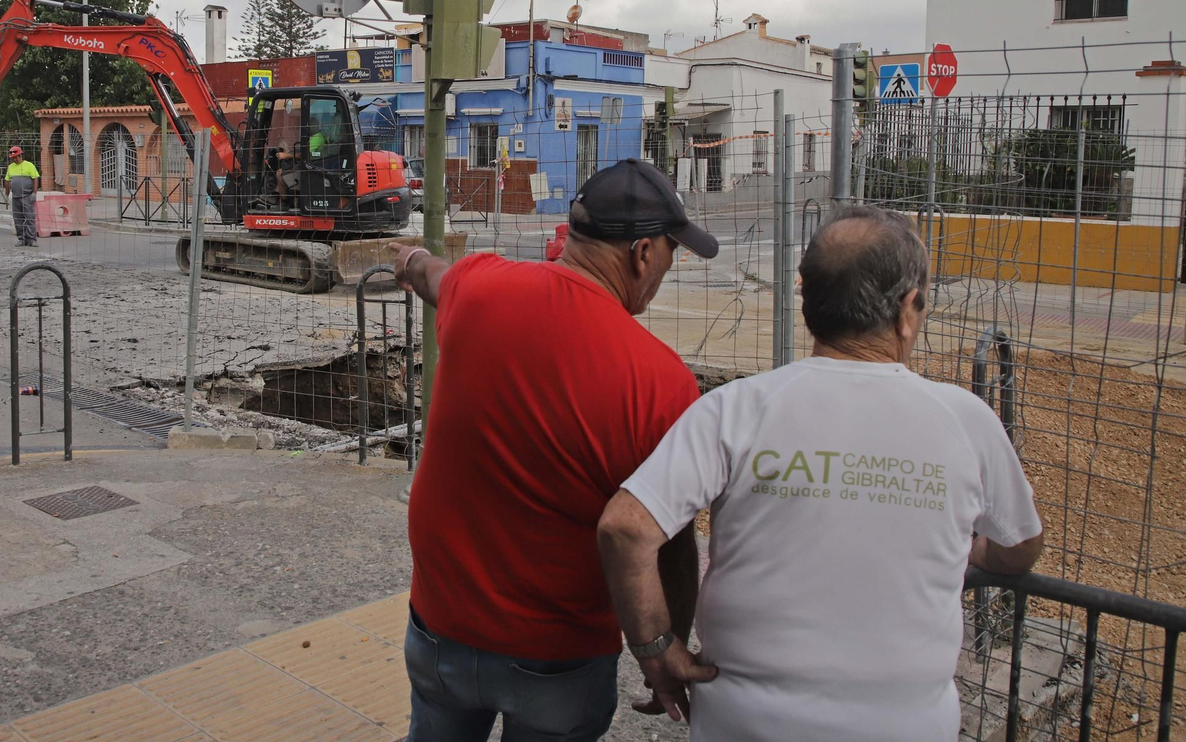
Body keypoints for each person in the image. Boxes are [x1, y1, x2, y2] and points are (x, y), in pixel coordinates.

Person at [597, 205, 1044, 740]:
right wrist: (972, 552)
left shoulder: (736, 408)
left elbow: (625, 528)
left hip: (745, 724)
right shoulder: (966, 419)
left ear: (806, 300)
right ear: (908, 309)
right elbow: (1020, 545)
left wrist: (655, 651)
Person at [390, 158, 719, 742]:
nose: (670, 265)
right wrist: (662, 646)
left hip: (438, 631)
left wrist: (408, 259)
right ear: (643, 253)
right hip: (556, 658)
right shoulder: (661, 383)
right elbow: (662, 541)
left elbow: (430, 275)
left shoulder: (479, 286)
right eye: (673, 250)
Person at [4, 145, 40, 246]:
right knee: (18, 219)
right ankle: (22, 239)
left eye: (16, 157)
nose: (14, 159)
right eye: (13, 158)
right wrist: (7, 194)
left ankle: (32, 239)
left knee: (29, 218)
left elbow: (35, 178)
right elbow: (7, 181)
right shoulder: (11, 167)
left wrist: (34, 193)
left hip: (27, 196)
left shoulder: (29, 165)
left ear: (20, 155)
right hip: (16, 197)